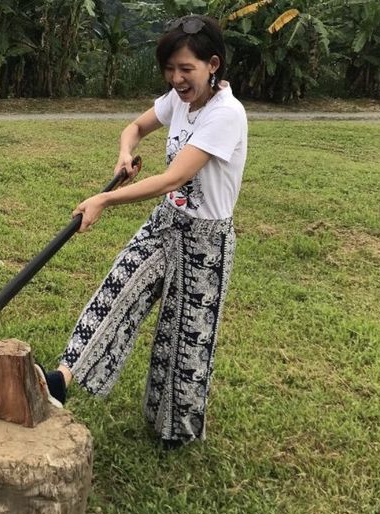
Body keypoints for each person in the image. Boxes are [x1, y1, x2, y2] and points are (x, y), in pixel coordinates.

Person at [37, 15, 248, 449]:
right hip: (166, 222)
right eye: (170, 69)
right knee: (118, 288)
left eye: (185, 69)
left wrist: (103, 200)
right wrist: (125, 153)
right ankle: (61, 379)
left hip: (206, 241)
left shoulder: (226, 114)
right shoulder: (178, 100)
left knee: (186, 339)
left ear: (213, 65)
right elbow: (133, 127)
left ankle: (175, 432)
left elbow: (174, 178)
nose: (176, 78)